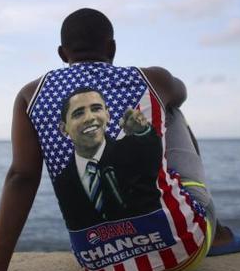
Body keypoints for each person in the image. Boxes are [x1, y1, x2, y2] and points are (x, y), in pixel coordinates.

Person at [0, 8, 240, 271]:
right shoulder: (151, 78)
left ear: (62, 54)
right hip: (185, 253)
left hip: (100, 264)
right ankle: (217, 232)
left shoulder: (29, 95)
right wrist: (161, 93)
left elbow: (21, 177)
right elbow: (180, 94)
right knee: (170, 110)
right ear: (112, 48)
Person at [53, 87, 162, 230]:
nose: (90, 117)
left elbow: (150, 148)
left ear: (108, 115)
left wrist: (143, 131)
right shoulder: (62, 181)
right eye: (78, 113)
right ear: (63, 128)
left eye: (96, 109)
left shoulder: (132, 149)